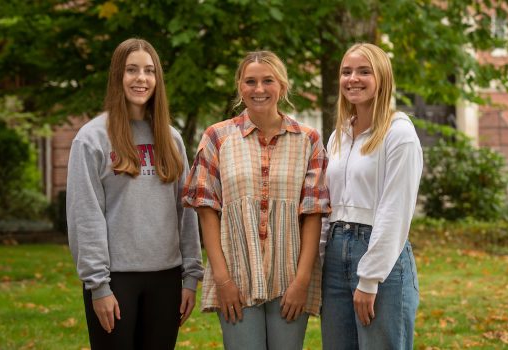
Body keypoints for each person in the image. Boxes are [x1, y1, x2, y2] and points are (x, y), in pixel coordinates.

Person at [183, 50, 330, 350]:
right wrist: (223, 281)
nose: (259, 89)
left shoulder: (308, 140)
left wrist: (302, 282)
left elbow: (313, 215)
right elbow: (207, 212)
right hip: (236, 276)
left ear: (282, 86)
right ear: (239, 86)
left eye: (268, 81)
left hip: (290, 277)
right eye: (250, 81)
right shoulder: (217, 138)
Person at [66, 38, 203, 350]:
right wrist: (98, 286)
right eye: (132, 70)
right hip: (115, 280)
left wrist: (191, 277)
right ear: (118, 76)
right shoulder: (92, 139)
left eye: (149, 71)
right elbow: (85, 216)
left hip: (167, 279)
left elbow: (186, 212)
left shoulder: (171, 138)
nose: (141, 78)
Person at [320, 43, 423, 350]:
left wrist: (369, 278)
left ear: (382, 78)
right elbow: (329, 205)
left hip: (380, 260)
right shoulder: (338, 135)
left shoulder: (399, 133)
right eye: (346, 72)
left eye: (364, 71)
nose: (353, 78)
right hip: (335, 260)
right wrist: (320, 261)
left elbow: (395, 210)